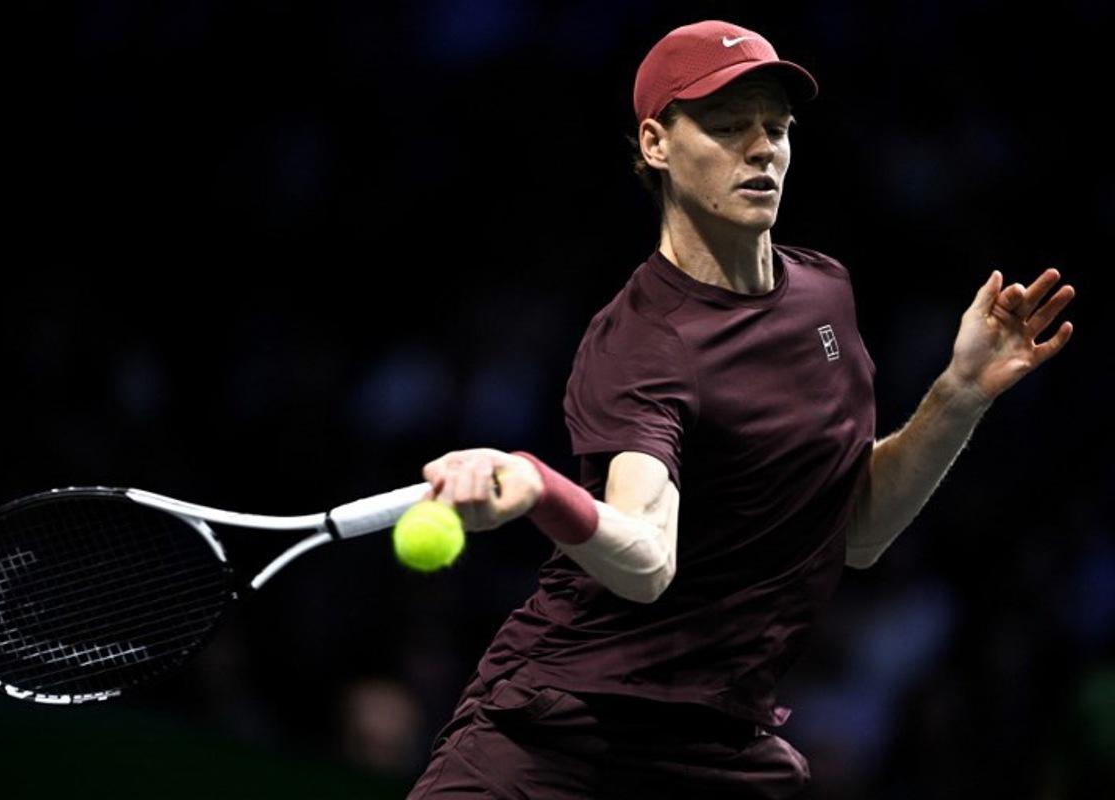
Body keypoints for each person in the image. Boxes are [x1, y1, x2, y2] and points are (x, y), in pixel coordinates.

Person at [406, 19, 1075, 800]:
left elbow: (853, 531)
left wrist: (958, 394)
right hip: (559, 734)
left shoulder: (825, 295)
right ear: (656, 144)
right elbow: (650, 561)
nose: (762, 149)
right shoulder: (642, 344)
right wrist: (538, 487)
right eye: (727, 127)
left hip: (720, 749)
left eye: (776, 128)